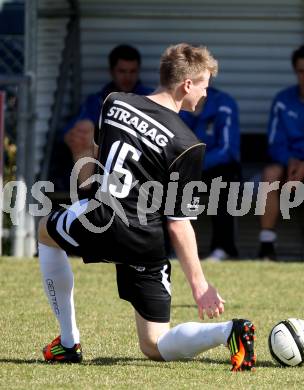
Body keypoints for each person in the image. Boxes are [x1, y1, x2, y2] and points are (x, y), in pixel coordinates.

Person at [38, 43, 256, 371]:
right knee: (155, 345)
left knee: (44, 232)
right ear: (187, 85)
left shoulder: (114, 103)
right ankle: (229, 331)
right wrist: (200, 287)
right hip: (143, 240)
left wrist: (89, 189)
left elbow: (100, 152)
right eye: (204, 87)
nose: (205, 95)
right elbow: (178, 222)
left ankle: (68, 343)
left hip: (100, 219)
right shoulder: (187, 145)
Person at [258, 43, 304, 261]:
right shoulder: (282, 100)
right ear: (295, 72)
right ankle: (266, 247)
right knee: (270, 174)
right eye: (301, 71)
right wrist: (290, 161)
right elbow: (274, 142)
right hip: (290, 166)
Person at [49, 44, 152, 190]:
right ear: (111, 72)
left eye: (132, 71)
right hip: (105, 161)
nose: (128, 77)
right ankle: (88, 201)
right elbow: (68, 133)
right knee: (82, 131)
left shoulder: (150, 99)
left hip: (140, 159)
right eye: (122, 71)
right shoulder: (96, 101)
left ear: (138, 71)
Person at [180, 87, 240, 261]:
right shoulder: (176, 102)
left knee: (223, 183)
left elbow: (228, 150)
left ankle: (223, 248)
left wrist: (198, 163)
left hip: (217, 166)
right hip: (187, 166)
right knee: (170, 182)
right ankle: (172, 248)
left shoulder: (224, 103)